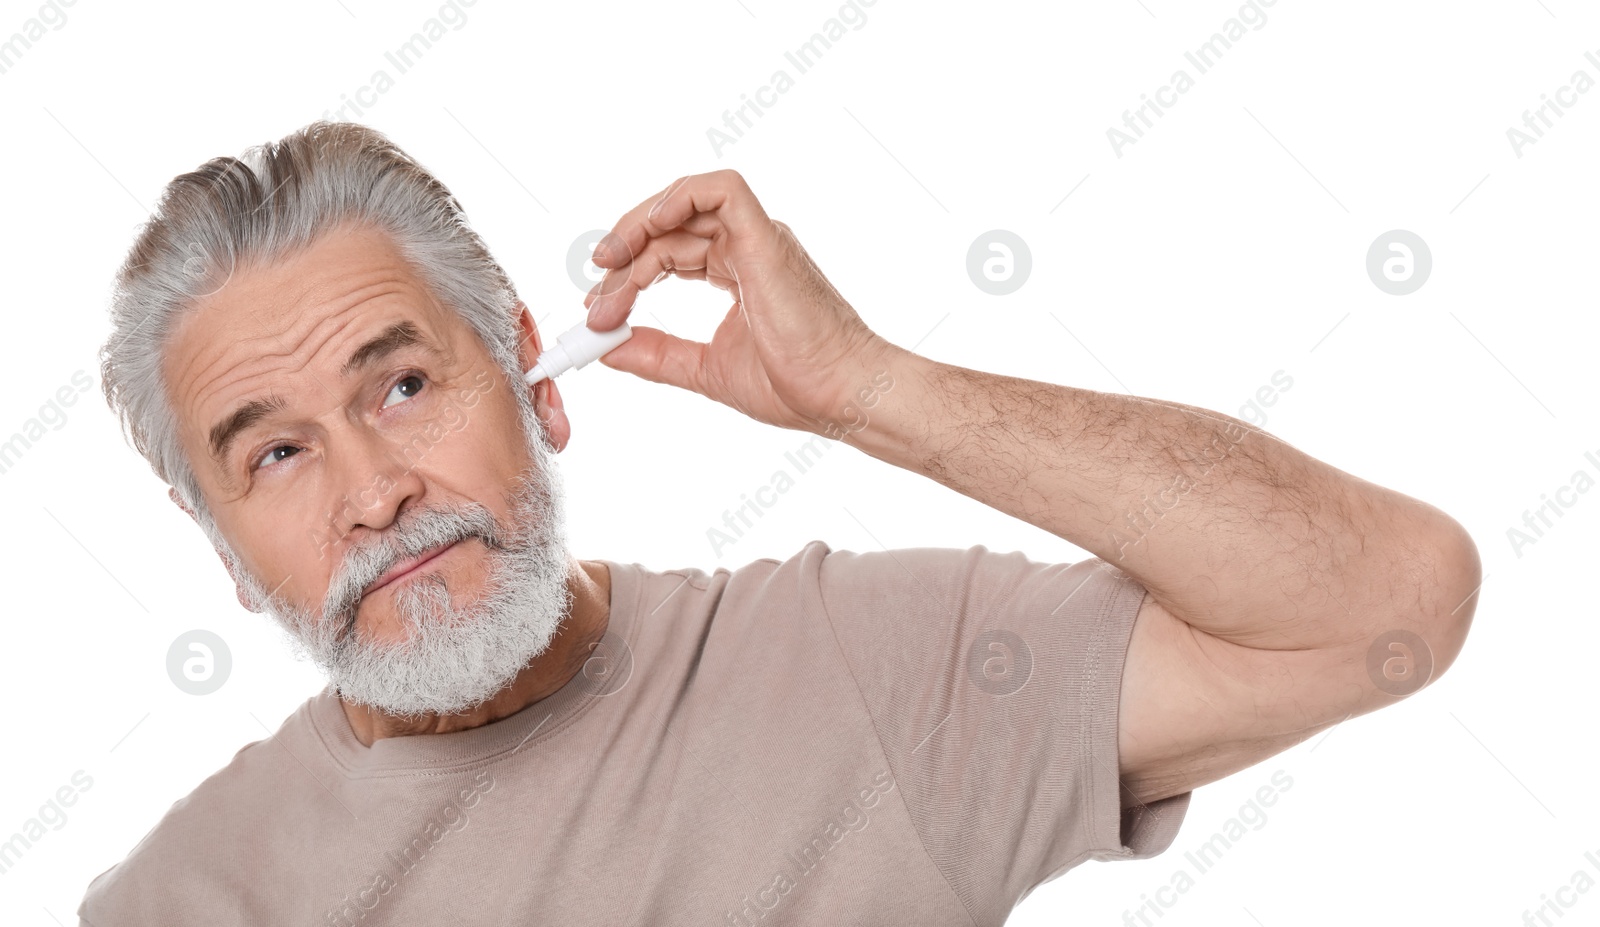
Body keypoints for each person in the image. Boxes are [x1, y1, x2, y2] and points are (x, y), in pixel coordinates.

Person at [78, 121, 1481, 926]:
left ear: (528, 378)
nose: (372, 493)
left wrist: (873, 392)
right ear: (226, 554)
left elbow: (1387, 609)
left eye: (401, 383)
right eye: (274, 455)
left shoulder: (860, 670)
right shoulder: (182, 906)